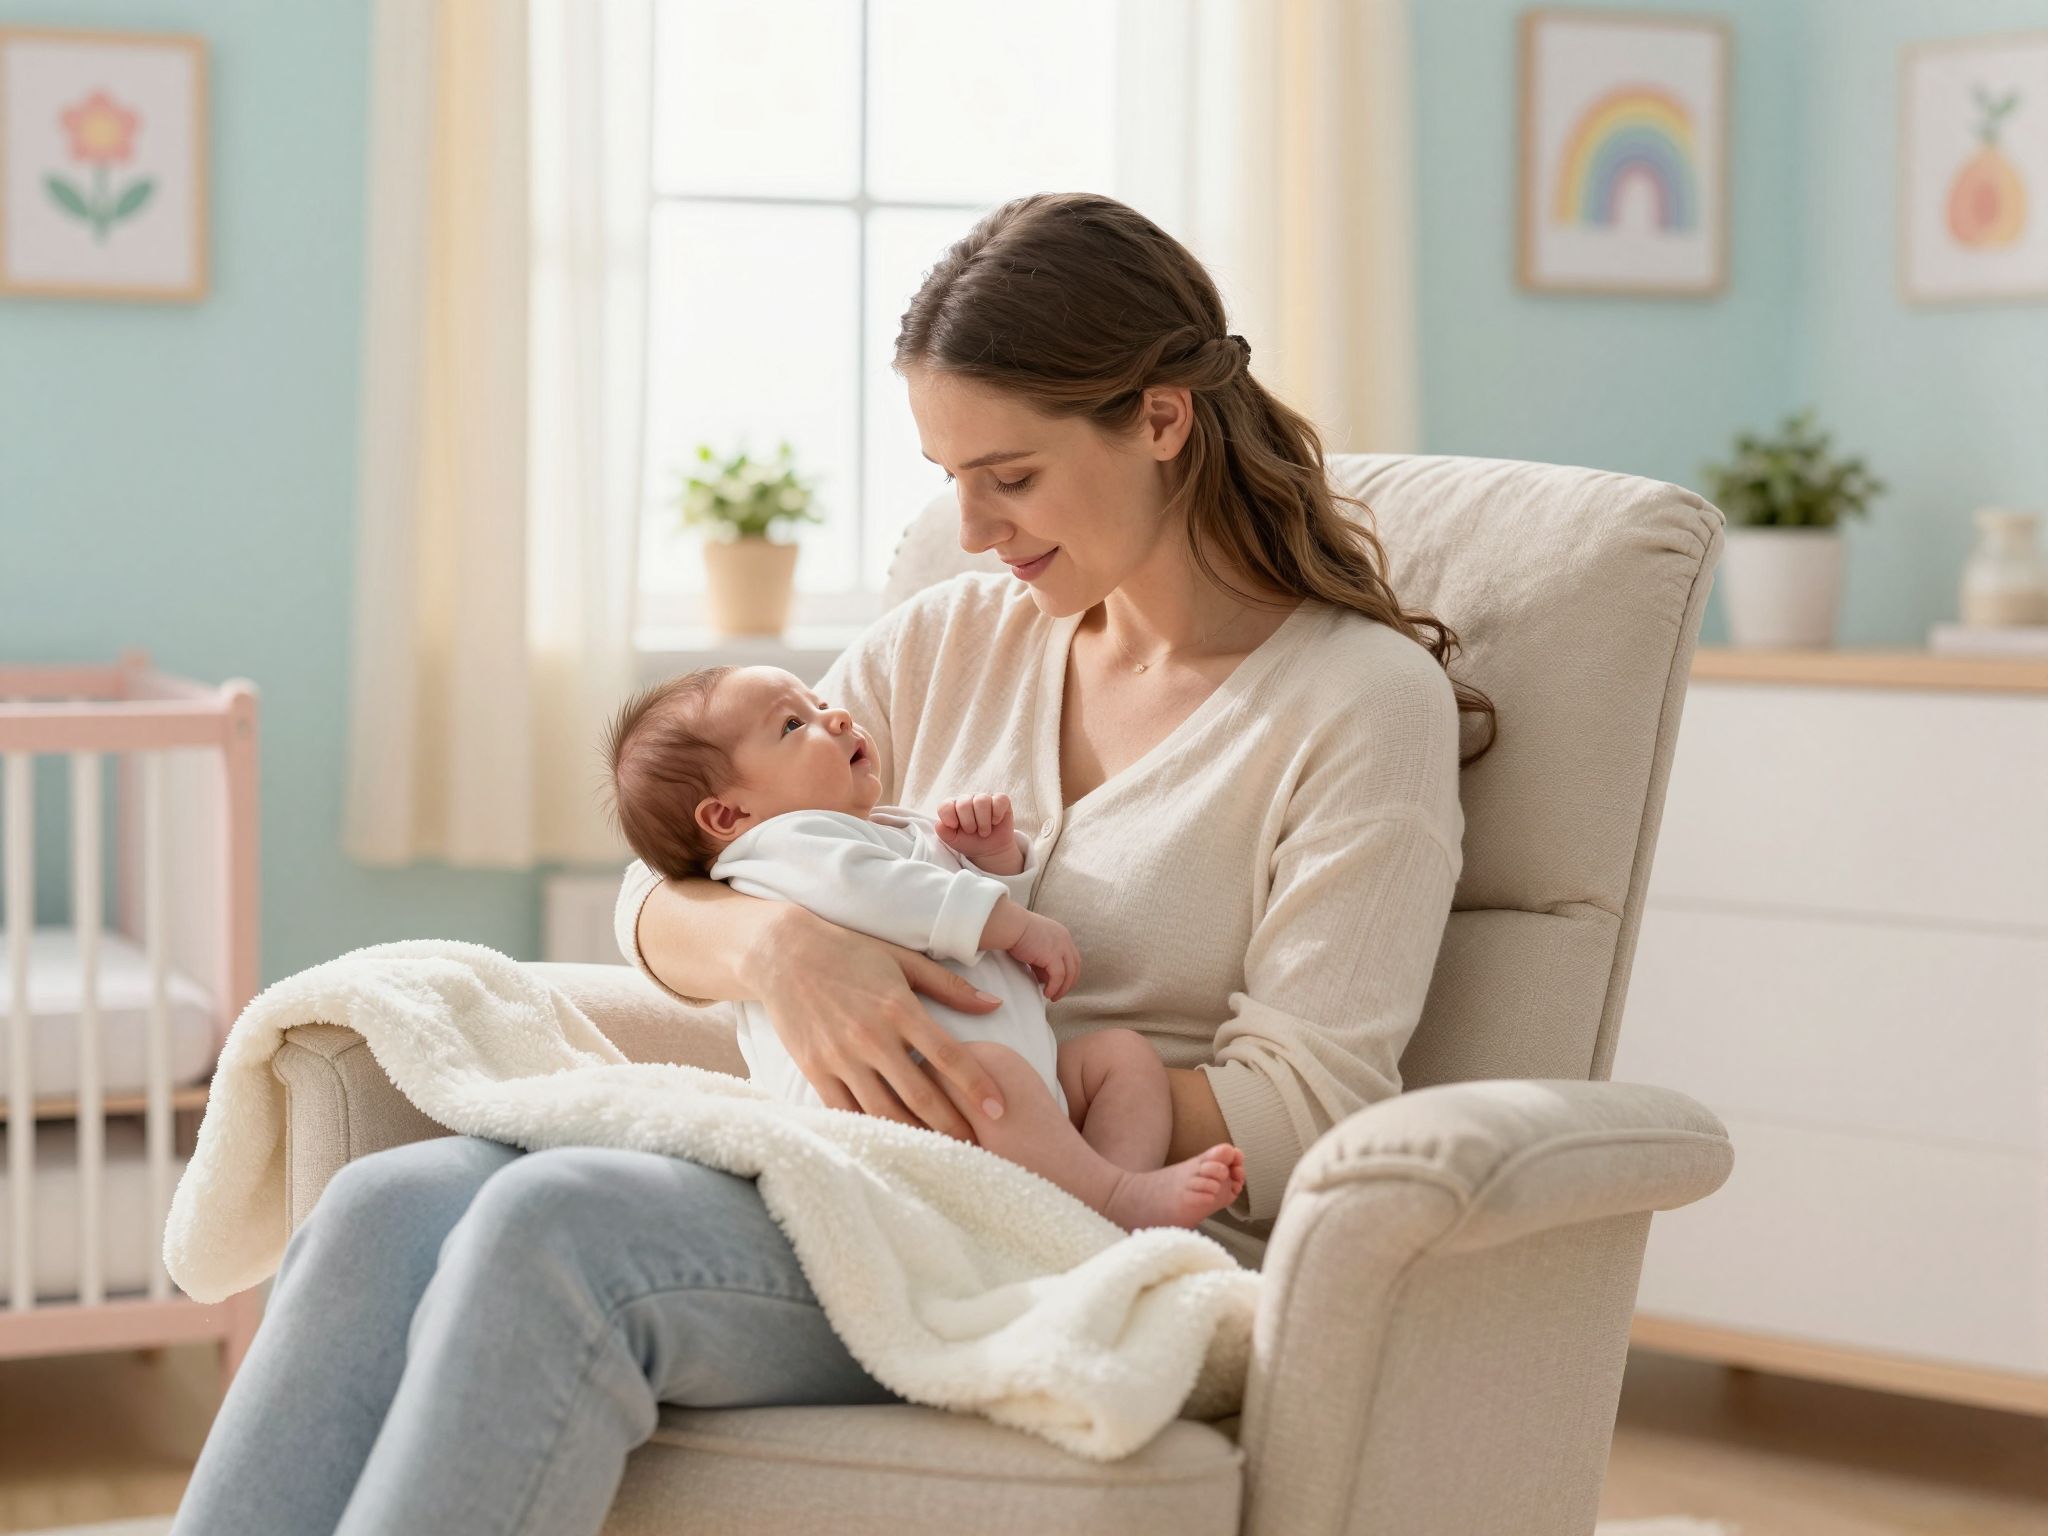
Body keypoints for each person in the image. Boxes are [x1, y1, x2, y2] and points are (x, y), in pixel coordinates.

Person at [170, 189, 1495, 1536]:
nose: (976, 530)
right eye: (949, 481)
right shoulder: (955, 640)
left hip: (1065, 1236)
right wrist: (783, 952)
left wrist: (999, 1092)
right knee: (387, 1203)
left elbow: (1314, 1099)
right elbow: (669, 878)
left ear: (1161, 418)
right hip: (852, 1180)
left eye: (1012, 477)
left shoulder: (1356, 702)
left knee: (554, 1228)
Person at [597, 660, 1247, 1230]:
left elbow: (955, 921)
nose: (837, 715)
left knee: (1120, 1061)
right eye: (794, 725)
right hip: (893, 1102)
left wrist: (993, 861)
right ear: (728, 816)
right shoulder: (779, 848)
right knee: (998, 1073)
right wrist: (1011, 922)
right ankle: (1112, 1197)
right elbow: (883, 894)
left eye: (820, 703)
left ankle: (1103, 1199)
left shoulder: (880, 829)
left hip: (1003, 1088)